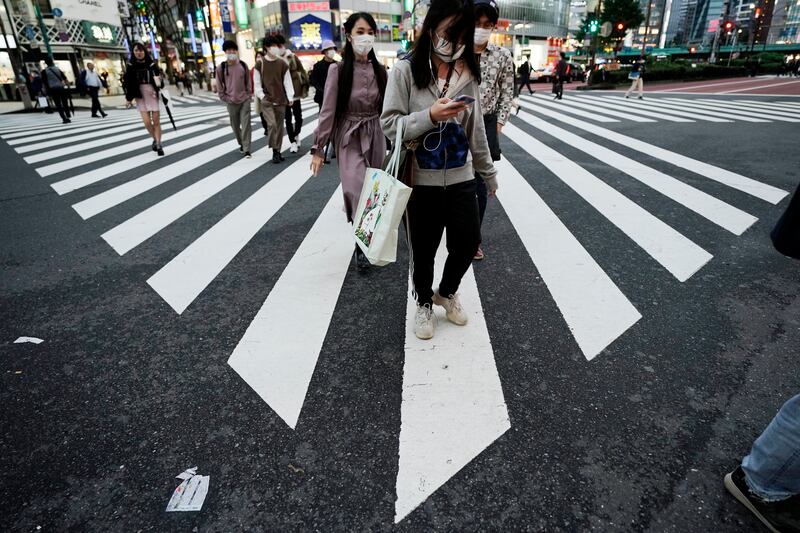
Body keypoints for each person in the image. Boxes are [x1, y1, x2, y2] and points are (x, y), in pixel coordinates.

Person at [381, 0, 498, 340]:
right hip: (421, 180)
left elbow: (475, 129)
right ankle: (423, 303)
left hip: (462, 176)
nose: (455, 41)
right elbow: (390, 125)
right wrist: (429, 116)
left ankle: (445, 292)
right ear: (431, 30)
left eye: (460, 34)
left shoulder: (468, 72)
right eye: (449, 33)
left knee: (467, 241)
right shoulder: (405, 71)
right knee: (424, 248)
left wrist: (488, 174)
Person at [309, 13, 387, 273]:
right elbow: (328, 110)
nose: (366, 37)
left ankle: (364, 245)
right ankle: (360, 240)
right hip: (349, 135)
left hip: (374, 132)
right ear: (349, 35)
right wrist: (319, 148)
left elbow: (388, 108)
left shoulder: (380, 70)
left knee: (373, 192)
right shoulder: (338, 70)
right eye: (360, 31)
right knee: (354, 188)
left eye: (369, 32)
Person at [472, 0, 513, 261]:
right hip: (454, 122)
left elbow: (507, 93)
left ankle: (473, 238)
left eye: (487, 25)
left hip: (485, 123)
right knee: (453, 181)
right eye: (477, 24)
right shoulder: (455, 52)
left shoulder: (502, 56)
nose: (482, 29)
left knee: (479, 183)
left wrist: (498, 125)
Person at [254, 35, 295, 164]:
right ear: (266, 47)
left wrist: (290, 96)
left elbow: (287, 81)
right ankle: (274, 151)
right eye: (273, 46)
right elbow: (257, 83)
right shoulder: (260, 63)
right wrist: (262, 96)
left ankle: (277, 150)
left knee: (279, 126)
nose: (276, 48)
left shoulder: (282, 63)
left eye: (277, 46)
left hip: (281, 100)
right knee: (271, 125)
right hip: (267, 100)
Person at [123, 42, 165, 156]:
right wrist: (128, 98)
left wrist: (159, 81)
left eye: (141, 50)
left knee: (156, 121)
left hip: (152, 94)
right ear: (133, 52)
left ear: (144, 52)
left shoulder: (151, 65)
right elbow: (128, 84)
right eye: (136, 50)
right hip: (139, 95)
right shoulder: (131, 66)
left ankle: (159, 143)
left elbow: (161, 83)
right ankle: (155, 139)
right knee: (147, 123)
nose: (139, 53)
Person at [217, 40, 253, 158]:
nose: (231, 52)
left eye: (233, 50)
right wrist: (225, 98)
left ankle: (247, 148)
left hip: (244, 100)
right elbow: (219, 85)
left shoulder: (243, 65)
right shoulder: (221, 68)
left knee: (246, 124)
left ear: (236, 51)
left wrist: (248, 95)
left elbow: (248, 82)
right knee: (235, 126)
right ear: (225, 52)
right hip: (231, 101)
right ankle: (241, 143)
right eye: (229, 50)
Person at [276, 35, 309, 154]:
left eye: (280, 45)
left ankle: (296, 134)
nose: (279, 48)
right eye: (277, 46)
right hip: (282, 93)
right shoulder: (275, 59)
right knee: (288, 119)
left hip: (295, 92)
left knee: (298, 117)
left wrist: (305, 86)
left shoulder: (292, 56)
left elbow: (302, 71)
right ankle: (293, 142)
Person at [310, 40, 338, 163]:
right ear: (324, 52)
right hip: (323, 98)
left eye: (332, 49)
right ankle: (324, 148)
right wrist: (324, 91)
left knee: (337, 123)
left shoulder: (338, 65)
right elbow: (314, 81)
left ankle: (335, 149)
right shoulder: (318, 66)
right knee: (325, 122)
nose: (331, 52)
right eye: (328, 49)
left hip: (337, 99)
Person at [41, 58, 71, 123]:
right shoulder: (58, 69)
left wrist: (44, 90)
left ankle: (63, 118)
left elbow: (44, 82)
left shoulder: (44, 71)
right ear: (52, 62)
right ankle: (67, 114)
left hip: (52, 89)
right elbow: (65, 78)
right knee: (64, 102)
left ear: (46, 63)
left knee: (58, 104)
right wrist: (68, 86)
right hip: (61, 88)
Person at [251, 50, 269, 138]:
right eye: (257, 57)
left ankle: (270, 127)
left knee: (269, 112)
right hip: (258, 93)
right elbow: (251, 81)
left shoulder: (268, 67)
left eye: (261, 56)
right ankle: (266, 128)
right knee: (261, 112)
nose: (259, 58)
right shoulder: (253, 69)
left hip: (268, 93)